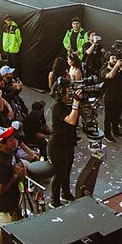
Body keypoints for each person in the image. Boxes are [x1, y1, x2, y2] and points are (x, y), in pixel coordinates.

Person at [0, 125, 26, 244]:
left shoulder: (9, 150)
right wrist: (15, 176)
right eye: (10, 140)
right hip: (4, 201)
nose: (14, 141)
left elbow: (16, 160)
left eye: (13, 138)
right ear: (1, 144)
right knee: (4, 228)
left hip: (13, 195)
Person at [47, 78, 81, 206]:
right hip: (57, 146)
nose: (70, 93)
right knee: (59, 173)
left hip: (68, 143)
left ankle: (65, 194)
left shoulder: (66, 104)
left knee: (66, 172)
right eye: (68, 91)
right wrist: (76, 103)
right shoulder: (57, 106)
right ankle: (54, 201)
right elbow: (71, 120)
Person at [100, 50, 122, 142]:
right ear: (108, 60)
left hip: (119, 96)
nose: (115, 60)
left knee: (117, 115)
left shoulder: (119, 70)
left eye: (116, 58)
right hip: (109, 97)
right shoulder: (104, 70)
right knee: (108, 117)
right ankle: (107, 134)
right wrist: (116, 66)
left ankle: (116, 131)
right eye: (112, 58)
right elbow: (110, 76)